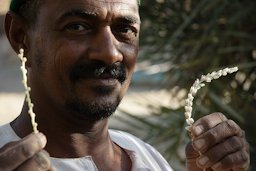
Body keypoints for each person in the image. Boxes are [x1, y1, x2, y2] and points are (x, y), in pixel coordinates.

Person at [0, 0, 250, 170]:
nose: (110, 53)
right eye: (78, 26)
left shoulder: (146, 158)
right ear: (20, 36)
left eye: (125, 29)